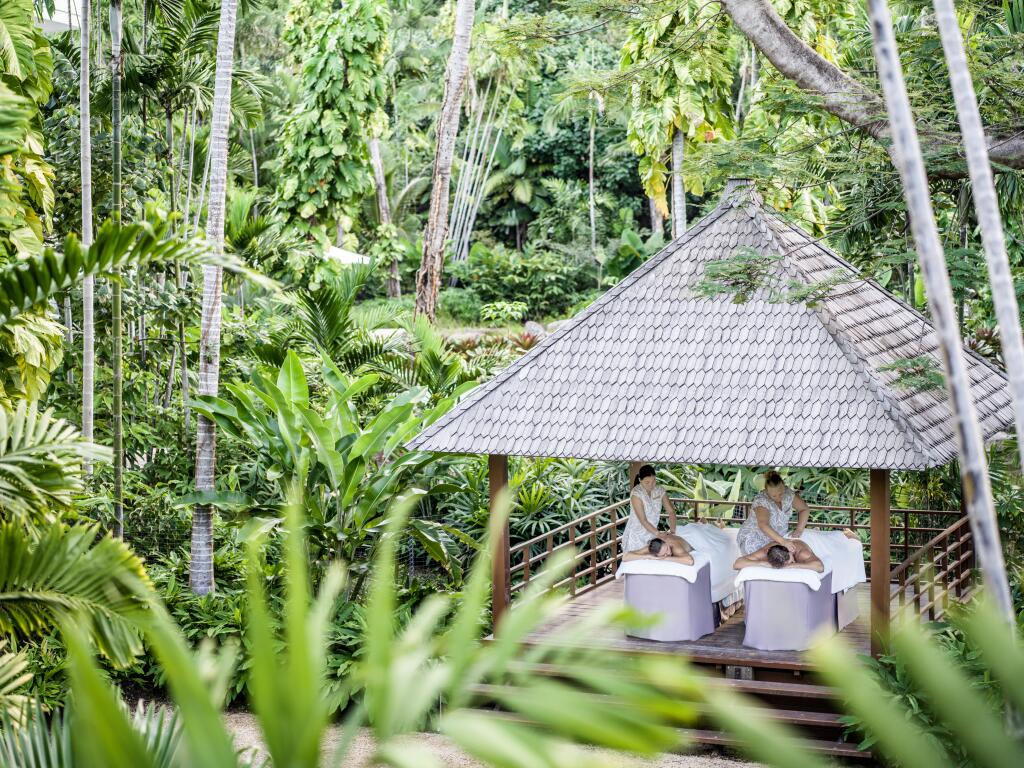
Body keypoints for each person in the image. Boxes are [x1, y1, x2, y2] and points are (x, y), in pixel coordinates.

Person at [734, 470, 817, 568]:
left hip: (776, 540)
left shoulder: (789, 494)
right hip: (755, 538)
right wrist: (783, 542)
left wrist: (799, 529)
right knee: (762, 566)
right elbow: (763, 524)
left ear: (784, 487)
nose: (778, 497)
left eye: (781, 494)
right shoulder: (761, 501)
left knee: (782, 563)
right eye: (774, 495)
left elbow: (804, 509)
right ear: (766, 490)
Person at [621, 465, 680, 555]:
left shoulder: (660, 490)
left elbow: (671, 511)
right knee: (636, 560)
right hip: (636, 535)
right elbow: (643, 520)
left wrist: (672, 532)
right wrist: (658, 534)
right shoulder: (636, 494)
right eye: (647, 482)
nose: (651, 485)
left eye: (653, 481)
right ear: (640, 480)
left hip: (652, 533)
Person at [622, 534, 695, 565]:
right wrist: (648, 556)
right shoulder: (652, 547)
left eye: (667, 549)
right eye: (664, 554)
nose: (668, 553)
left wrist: (664, 558)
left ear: (665, 542)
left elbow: (690, 561)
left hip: (690, 541)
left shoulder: (674, 546)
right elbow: (625, 557)